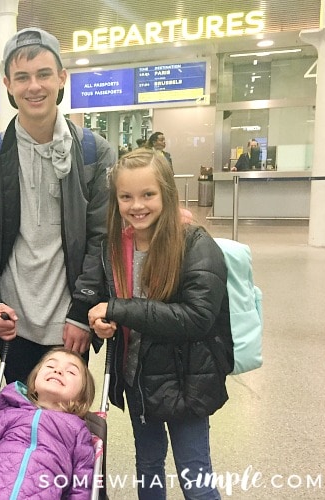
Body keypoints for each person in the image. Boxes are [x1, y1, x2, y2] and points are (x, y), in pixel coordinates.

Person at [0, 27, 117, 384]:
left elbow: (102, 237)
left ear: (62, 78)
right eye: (23, 77)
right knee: (18, 424)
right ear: (8, 84)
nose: (34, 86)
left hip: (71, 321)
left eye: (44, 74)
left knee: (66, 423)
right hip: (14, 321)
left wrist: (81, 311)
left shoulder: (94, 153)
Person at [88, 149, 233, 499]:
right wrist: (106, 323)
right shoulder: (114, 246)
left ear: (167, 193)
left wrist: (119, 309)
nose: (137, 205)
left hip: (188, 380)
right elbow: (116, 308)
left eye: (148, 194)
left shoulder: (196, 244)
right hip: (139, 380)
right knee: (148, 468)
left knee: (194, 473)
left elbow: (196, 318)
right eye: (126, 196)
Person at [0, 348, 96, 499]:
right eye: (50, 366)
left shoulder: (77, 429)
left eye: (71, 372)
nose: (58, 371)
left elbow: (82, 480)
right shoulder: (12, 411)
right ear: (33, 383)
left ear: (80, 397)